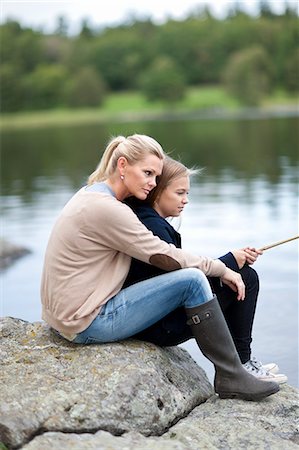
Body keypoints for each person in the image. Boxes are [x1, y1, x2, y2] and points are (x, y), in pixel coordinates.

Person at [41, 133, 280, 401]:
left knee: (195, 278)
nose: (153, 183)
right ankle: (232, 375)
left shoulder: (90, 194)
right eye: (147, 173)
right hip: (87, 323)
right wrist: (222, 268)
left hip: (66, 317)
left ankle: (236, 369)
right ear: (122, 166)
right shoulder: (109, 209)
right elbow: (164, 256)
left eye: (156, 176)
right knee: (192, 280)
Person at [124, 156, 287, 384]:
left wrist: (229, 263)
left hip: (149, 318)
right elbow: (179, 282)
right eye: (180, 193)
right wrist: (229, 263)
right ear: (157, 191)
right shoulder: (154, 227)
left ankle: (239, 362)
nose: (186, 200)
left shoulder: (144, 218)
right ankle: (241, 365)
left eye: (187, 194)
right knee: (246, 278)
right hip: (158, 326)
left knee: (237, 276)